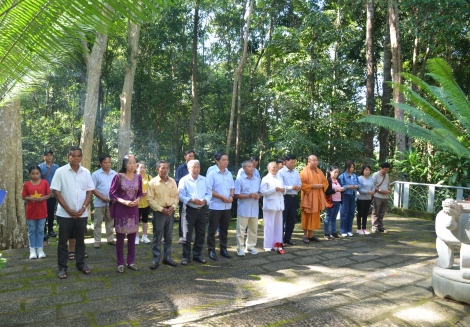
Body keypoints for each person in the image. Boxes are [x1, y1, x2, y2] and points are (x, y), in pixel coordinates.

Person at [50, 146, 94, 279]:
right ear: (68, 157)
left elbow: (89, 191)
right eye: (73, 156)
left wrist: (83, 208)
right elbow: (56, 192)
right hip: (64, 214)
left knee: (81, 241)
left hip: (81, 214)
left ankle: (81, 264)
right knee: (62, 241)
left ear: (81, 157)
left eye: (78, 156)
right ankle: (62, 267)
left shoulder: (86, 172)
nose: (76, 158)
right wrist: (68, 209)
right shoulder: (60, 171)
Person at [109, 155, 143, 273]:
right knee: (120, 238)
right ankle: (120, 263)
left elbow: (140, 193)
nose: (133, 165)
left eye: (134, 163)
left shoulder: (138, 177)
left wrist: (137, 200)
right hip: (121, 209)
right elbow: (112, 193)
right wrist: (123, 201)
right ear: (124, 165)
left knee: (132, 237)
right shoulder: (118, 177)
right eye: (130, 163)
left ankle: (131, 261)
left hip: (133, 209)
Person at [178, 159, 212, 265]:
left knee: (201, 233)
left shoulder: (204, 179)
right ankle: (186, 256)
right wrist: (191, 200)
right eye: (193, 167)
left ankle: (197, 255)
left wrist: (205, 200)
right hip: (189, 209)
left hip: (202, 209)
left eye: (197, 167)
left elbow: (209, 193)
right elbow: (180, 195)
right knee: (187, 234)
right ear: (188, 169)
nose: (196, 169)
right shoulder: (184, 180)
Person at [147, 160, 179, 269]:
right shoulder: (153, 183)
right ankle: (156, 259)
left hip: (170, 211)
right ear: (157, 169)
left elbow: (176, 196)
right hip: (159, 213)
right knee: (157, 236)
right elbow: (150, 199)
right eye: (162, 168)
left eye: (167, 168)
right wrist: (161, 209)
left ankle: (167, 258)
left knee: (169, 237)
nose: (165, 170)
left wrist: (172, 207)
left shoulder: (172, 182)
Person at [206, 152, 235, 260]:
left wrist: (231, 196)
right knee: (212, 230)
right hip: (215, 206)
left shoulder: (228, 173)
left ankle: (223, 249)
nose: (226, 162)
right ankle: (211, 250)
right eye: (223, 160)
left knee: (224, 229)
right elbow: (209, 190)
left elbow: (232, 187)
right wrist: (221, 197)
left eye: (227, 160)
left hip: (227, 206)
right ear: (217, 161)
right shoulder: (212, 173)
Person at [22, 165, 51, 259]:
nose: (35, 175)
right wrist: (30, 198)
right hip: (31, 211)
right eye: (33, 174)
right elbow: (23, 196)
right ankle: (32, 250)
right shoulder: (26, 184)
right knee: (31, 230)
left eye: (37, 173)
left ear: (40, 173)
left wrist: (43, 198)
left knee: (40, 229)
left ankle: (40, 249)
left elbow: (49, 194)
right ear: (29, 174)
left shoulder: (44, 183)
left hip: (42, 210)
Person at [234, 160, 261, 256]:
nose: (251, 168)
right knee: (241, 230)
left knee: (253, 229)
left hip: (254, 208)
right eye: (249, 166)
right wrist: (249, 195)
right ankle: (240, 248)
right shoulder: (239, 180)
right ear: (244, 168)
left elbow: (260, 192)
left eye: (253, 166)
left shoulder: (257, 179)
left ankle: (250, 247)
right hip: (244, 208)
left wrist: (258, 195)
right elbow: (236, 195)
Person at [299, 155, 328, 244]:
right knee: (306, 216)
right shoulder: (303, 172)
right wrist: (312, 186)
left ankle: (310, 235)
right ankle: (305, 235)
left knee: (314, 216)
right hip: (308, 198)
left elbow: (325, 182)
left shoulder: (319, 171)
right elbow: (301, 185)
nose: (316, 162)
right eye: (313, 160)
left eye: (316, 160)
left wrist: (322, 186)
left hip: (317, 198)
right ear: (309, 161)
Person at [91, 154, 117, 248]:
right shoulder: (96, 174)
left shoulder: (114, 174)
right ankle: (97, 241)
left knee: (110, 222)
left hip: (111, 203)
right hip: (99, 202)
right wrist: (102, 197)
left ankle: (110, 239)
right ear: (100, 163)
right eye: (105, 162)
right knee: (98, 222)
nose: (107, 164)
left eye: (109, 162)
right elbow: (92, 188)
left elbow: (117, 187)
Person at [260, 162, 285, 253]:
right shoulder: (265, 178)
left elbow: (283, 190)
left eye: (276, 167)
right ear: (269, 169)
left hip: (279, 204)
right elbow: (262, 192)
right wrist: (274, 189)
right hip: (270, 205)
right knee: (269, 226)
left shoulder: (279, 178)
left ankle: (278, 244)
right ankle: (267, 245)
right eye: (273, 167)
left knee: (278, 226)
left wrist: (283, 190)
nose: (275, 169)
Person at [278, 154, 302, 245]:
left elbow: (300, 183)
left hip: (293, 197)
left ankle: (288, 238)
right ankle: (280, 239)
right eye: (291, 162)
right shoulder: (281, 172)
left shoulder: (296, 172)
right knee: (282, 218)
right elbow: (280, 186)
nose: (293, 164)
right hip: (284, 197)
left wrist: (298, 187)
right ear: (286, 162)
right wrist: (291, 187)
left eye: (294, 162)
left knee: (291, 219)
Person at [175, 150, 195, 243]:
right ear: (185, 157)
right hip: (184, 196)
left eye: (193, 156)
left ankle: (190, 235)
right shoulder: (180, 168)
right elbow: (177, 181)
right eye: (189, 156)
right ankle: (182, 235)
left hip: (194, 198)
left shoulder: (195, 167)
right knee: (183, 216)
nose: (191, 158)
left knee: (192, 217)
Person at [38, 150, 59, 238]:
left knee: (51, 212)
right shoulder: (40, 167)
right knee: (43, 212)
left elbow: (59, 180)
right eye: (47, 155)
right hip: (42, 194)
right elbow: (38, 180)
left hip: (53, 193)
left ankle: (50, 230)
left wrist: (55, 191)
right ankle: (43, 231)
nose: (49, 157)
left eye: (50, 155)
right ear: (44, 157)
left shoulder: (57, 167)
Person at [338, 161, 361, 237]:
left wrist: (357, 186)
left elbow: (359, 185)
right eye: (350, 167)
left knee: (351, 213)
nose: (352, 169)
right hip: (345, 195)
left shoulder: (355, 176)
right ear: (346, 167)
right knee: (344, 213)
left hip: (353, 195)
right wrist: (348, 187)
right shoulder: (342, 176)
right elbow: (340, 187)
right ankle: (343, 230)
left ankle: (349, 230)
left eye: (353, 167)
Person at [324, 166, 344, 240]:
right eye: (335, 172)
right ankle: (326, 233)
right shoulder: (328, 180)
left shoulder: (338, 180)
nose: (336, 174)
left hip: (338, 201)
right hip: (330, 201)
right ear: (330, 172)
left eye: (337, 172)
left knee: (334, 218)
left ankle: (334, 232)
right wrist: (335, 190)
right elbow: (326, 192)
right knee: (328, 217)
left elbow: (341, 188)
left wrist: (342, 189)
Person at [371, 162, 391, 233]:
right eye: (385, 170)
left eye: (387, 170)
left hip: (386, 197)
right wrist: (380, 190)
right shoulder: (375, 175)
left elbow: (388, 184)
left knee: (382, 212)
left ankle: (380, 226)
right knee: (376, 212)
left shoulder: (387, 175)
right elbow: (372, 185)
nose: (386, 172)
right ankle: (374, 226)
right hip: (378, 196)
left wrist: (389, 190)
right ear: (381, 168)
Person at [136, 161, 152, 244]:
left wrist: (147, 192)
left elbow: (153, 189)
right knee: (136, 221)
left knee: (145, 220)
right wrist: (140, 193)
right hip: (136, 203)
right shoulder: (134, 177)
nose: (142, 169)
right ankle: (136, 237)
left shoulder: (149, 177)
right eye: (140, 167)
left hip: (146, 203)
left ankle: (144, 236)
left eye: (143, 167)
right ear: (136, 168)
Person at [357, 164, 375, 235]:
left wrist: (373, 191)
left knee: (365, 214)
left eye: (369, 170)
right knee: (360, 213)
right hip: (361, 198)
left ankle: (364, 228)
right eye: (366, 170)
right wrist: (368, 192)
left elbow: (373, 187)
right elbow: (359, 189)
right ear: (363, 171)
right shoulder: (360, 178)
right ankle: (359, 229)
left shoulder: (371, 178)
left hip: (368, 198)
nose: (367, 171)